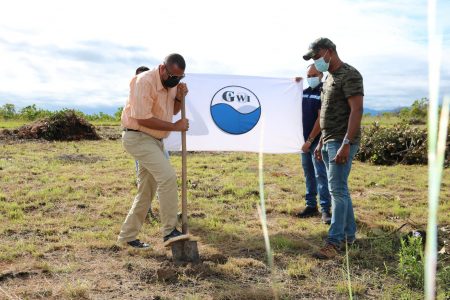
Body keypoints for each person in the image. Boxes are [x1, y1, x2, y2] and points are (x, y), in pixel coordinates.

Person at [118, 53, 190, 249]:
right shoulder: (144, 81)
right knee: (167, 177)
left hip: (156, 140)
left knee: (146, 191)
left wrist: (179, 98)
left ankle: (127, 236)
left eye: (179, 77)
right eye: (172, 76)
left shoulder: (172, 84)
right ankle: (169, 232)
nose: (175, 80)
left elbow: (173, 111)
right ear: (162, 68)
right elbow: (141, 118)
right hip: (138, 137)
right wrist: (175, 127)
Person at [302, 38, 364, 259]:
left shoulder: (350, 74)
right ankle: (348, 236)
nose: (316, 62)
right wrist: (320, 142)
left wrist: (346, 143)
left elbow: (356, 110)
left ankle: (334, 242)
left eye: (317, 57)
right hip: (329, 140)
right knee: (340, 189)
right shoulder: (327, 78)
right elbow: (325, 114)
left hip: (342, 140)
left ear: (329, 52)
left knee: (336, 190)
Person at [295, 64, 331, 224]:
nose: (311, 77)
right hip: (303, 141)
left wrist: (310, 140)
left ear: (321, 75)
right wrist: (294, 85)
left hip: (316, 142)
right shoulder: (304, 93)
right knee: (308, 173)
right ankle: (311, 206)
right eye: (308, 75)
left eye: (314, 75)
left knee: (321, 174)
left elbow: (320, 119)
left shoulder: (324, 92)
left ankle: (326, 210)